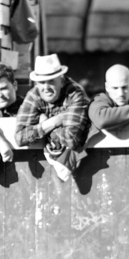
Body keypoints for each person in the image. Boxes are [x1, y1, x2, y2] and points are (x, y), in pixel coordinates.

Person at [14, 53, 90, 182]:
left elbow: (70, 139)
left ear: (61, 80)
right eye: (42, 82)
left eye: (51, 81)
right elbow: (20, 138)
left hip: (83, 167)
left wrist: (44, 127)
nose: (46, 87)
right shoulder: (34, 94)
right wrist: (54, 121)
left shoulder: (75, 94)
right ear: (36, 83)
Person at [87, 63, 129, 138]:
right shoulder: (100, 100)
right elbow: (101, 120)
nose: (120, 93)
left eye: (124, 87)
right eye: (115, 88)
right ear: (107, 87)